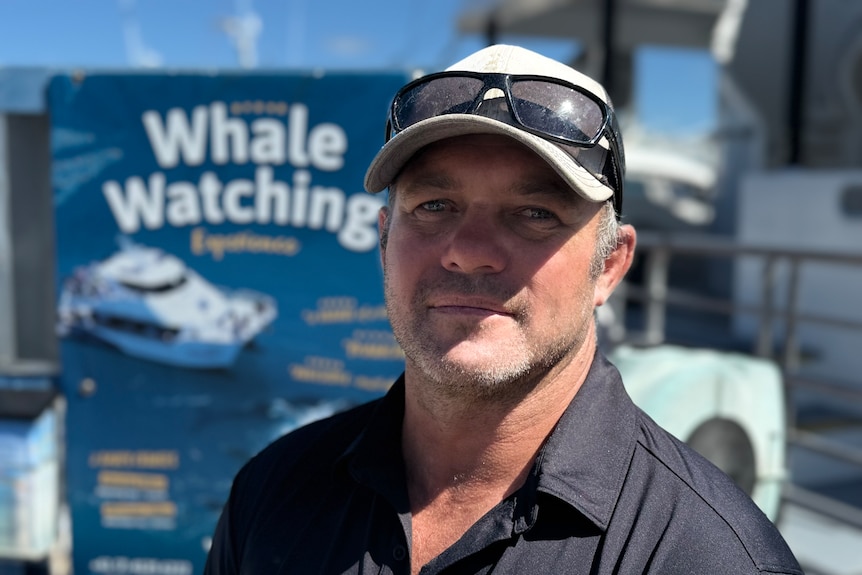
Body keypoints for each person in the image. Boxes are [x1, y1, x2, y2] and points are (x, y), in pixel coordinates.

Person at [204, 44, 802, 575]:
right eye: (435, 205)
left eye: (535, 213)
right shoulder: (272, 493)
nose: (468, 252)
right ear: (385, 243)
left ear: (611, 266)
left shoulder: (707, 554)